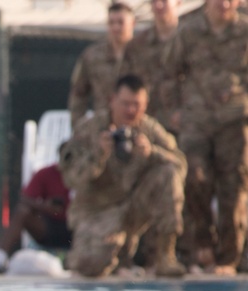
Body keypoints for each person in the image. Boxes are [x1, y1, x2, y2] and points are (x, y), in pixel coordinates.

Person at [58, 74, 187, 278]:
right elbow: (70, 179)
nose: (131, 110)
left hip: (135, 206)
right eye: (125, 104)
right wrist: (98, 155)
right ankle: (113, 252)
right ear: (112, 100)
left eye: (137, 105)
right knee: (89, 266)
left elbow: (180, 164)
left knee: (168, 173)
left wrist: (152, 152)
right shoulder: (89, 129)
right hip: (99, 210)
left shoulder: (149, 128)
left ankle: (165, 256)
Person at [165, 0, 248, 275]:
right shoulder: (188, 32)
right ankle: (201, 244)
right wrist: (173, 110)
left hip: (235, 122)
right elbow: (168, 74)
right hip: (197, 121)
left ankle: (228, 258)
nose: (223, 4)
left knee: (233, 189)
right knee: (194, 178)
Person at [0, 161, 72, 271]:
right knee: (22, 211)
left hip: (80, 228)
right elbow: (25, 198)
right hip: (50, 227)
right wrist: (45, 207)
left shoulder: (90, 174)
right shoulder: (46, 173)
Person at [68, 2, 137, 128]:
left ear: (133, 23)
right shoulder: (92, 56)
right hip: (102, 126)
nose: (116, 27)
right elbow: (78, 93)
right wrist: (79, 125)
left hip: (137, 124)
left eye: (120, 22)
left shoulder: (144, 55)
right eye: (111, 23)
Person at [126, 0, 181, 136]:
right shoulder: (138, 44)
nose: (158, 6)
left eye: (164, 1)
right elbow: (125, 83)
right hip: (147, 125)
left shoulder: (192, 38)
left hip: (185, 125)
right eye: (154, 1)